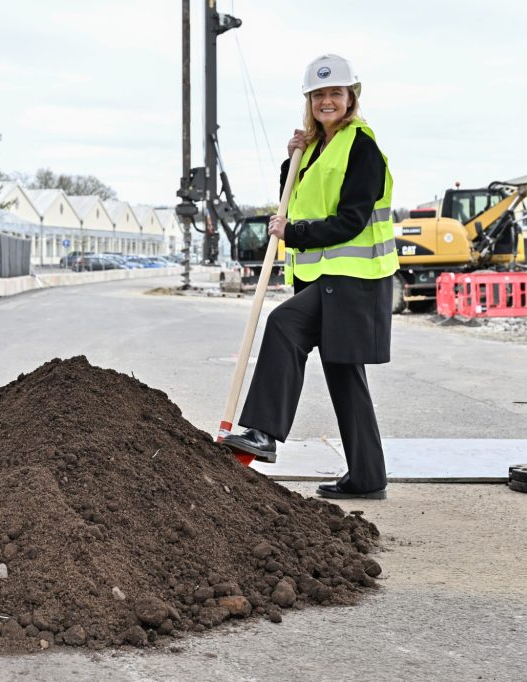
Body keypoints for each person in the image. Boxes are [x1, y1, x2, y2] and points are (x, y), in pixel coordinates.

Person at [222, 54, 397, 500]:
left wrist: (294, 234)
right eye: (318, 94)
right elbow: (297, 199)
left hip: (354, 281)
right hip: (328, 279)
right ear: (309, 101)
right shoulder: (318, 148)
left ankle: (262, 433)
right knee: (344, 373)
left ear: (350, 97)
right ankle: (367, 476)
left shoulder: (361, 149)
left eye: (335, 93)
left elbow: (351, 220)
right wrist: (292, 159)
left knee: (284, 325)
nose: (326, 101)